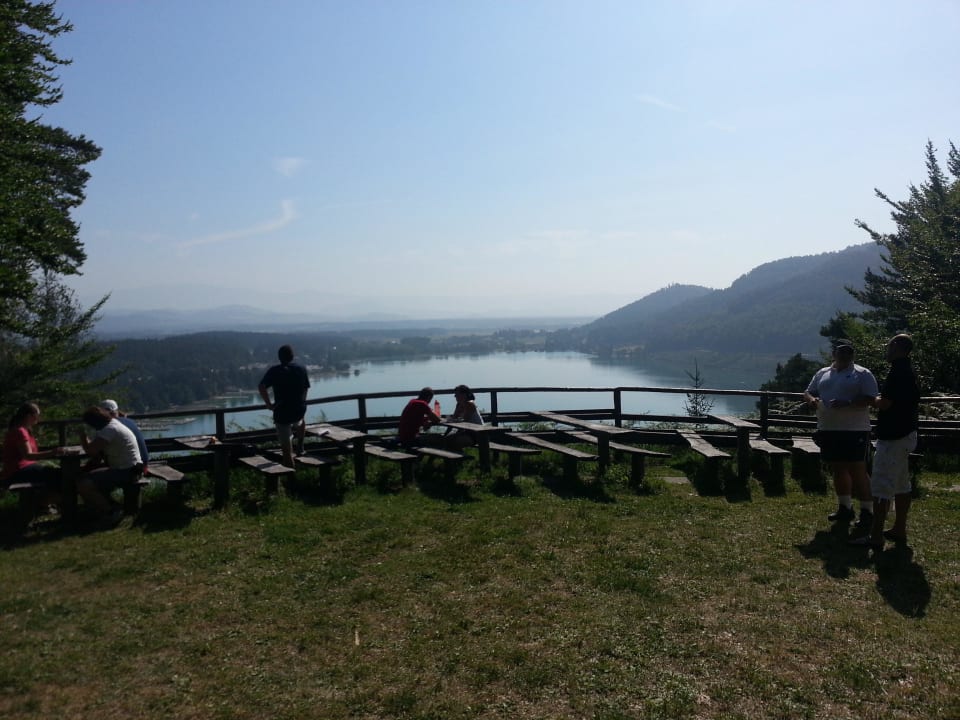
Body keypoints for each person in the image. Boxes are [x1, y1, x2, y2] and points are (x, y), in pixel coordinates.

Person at [851, 334, 921, 549]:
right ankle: (899, 528)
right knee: (901, 485)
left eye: (889, 345)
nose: (887, 349)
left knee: (881, 486)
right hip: (906, 433)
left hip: (893, 437)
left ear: (897, 347)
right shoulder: (909, 371)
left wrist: (870, 399)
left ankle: (875, 536)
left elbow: (886, 403)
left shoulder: (897, 372)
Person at [804, 339, 879, 528]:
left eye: (848, 352)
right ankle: (845, 508)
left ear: (853, 355)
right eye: (841, 352)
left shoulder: (862, 373)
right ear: (834, 354)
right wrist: (812, 400)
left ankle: (867, 511)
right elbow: (808, 392)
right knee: (838, 468)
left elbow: (872, 399)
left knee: (858, 470)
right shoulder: (822, 373)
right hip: (828, 428)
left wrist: (849, 403)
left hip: (855, 429)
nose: (845, 355)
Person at [78, 406, 143, 525]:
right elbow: (96, 448)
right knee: (90, 477)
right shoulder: (113, 424)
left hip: (126, 471)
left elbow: (91, 451)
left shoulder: (109, 430)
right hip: (132, 468)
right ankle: (111, 508)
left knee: (84, 484)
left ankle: (112, 511)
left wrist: (82, 437)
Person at [2, 403, 64, 510]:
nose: (39, 418)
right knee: (60, 475)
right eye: (37, 415)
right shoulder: (20, 431)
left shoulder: (23, 430)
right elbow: (28, 456)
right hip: (17, 471)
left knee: (57, 474)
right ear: (29, 416)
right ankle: (43, 503)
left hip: (21, 469)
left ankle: (45, 503)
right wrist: (53, 452)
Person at [258, 344, 310, 468]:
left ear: (279, 357)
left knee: (287, 453)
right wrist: (302, 401)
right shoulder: (301, 369)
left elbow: (261, 386)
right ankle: (300, 446)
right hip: (298, 410)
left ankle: (291, 477)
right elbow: (306, 388)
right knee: (301, 421)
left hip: (282, 413)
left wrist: (269, 404)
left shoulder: (275, 371)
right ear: (292, 356)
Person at [99, 399, 149, 474]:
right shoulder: (130, 421)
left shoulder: (111, 426)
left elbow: (95, 450)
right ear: (117, 410)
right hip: (144, 464)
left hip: (131, 469)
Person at [445, 384, 484, 449]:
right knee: (447, 439)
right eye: (455, 395)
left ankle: (457, 454)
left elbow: (465, 421)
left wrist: (454, 422)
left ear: (464, 394)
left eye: (457, 394)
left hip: (477, 434)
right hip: (467, 432)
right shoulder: (459, 404)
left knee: (451, 441)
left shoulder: (470, 404)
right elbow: (454, 418)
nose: (455, 397)